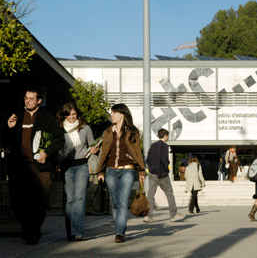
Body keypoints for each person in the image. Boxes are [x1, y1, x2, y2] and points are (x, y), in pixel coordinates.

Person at [0, 87, 65, 245]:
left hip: (39, 167)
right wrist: (8, 128)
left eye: (31, 98)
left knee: (37, 201)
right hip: (18, 166)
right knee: (17, 199)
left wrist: (46, 153)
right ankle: (27, 228)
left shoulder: (47, 118)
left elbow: (59, 139)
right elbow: (6, 140)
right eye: (25, 98)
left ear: (39, 101)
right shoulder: (17, 117)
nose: (27, 101)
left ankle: (33, 231)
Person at [96, 104, 146, 243]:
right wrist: (100, 171)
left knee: (122, 203)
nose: (111, 115)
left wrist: (141, 170)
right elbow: (104, 153)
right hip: (111, 170)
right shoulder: (107, 131)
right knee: (115, 203)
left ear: (122, 114)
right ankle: (120, 229)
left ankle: (119, 233)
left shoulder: (132, 131)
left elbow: (137, 151)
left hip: (127, 170)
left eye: (114, 113)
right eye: (111, 113)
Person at [57, 102, 97, 241]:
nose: (71, 117)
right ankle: (70, 232)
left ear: (77, 114)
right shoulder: (60, 128)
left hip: (81, 166)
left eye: (74, 114)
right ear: (64, 115)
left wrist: (94, 149)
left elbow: (92, 145)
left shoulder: (85, 128)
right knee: (70, 200)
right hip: (66, 167)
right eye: (68, 114)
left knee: (80, 198)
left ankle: (78, 231)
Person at [143, 128, 184, 223]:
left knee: (150, 194)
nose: (167, 138)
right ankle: (173, 215)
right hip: (162, 174)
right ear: (165, 136)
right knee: (169, 193)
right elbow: (164, 160)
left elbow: (148, 159)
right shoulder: (164, 146)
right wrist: (166, 169)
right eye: (167, 136)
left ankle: (148, 216)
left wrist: (152, 169)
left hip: (153, 174)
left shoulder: (153, 145)